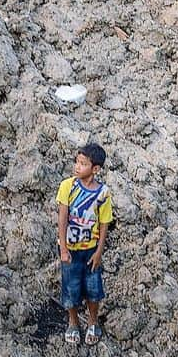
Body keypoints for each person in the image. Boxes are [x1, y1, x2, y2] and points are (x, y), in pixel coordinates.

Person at [57, 142, 114, 345]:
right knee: (70, 288)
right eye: (77, 162)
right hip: (70, 250)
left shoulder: (103, 193)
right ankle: (73, 322)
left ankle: (92, 321)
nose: (77, 166)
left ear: (95, 169)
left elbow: (104, 223)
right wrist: (63, 249)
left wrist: (99, 252)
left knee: (93, 289)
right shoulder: (68, 186)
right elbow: (62, 218)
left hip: (90, 251)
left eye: (82, 163)